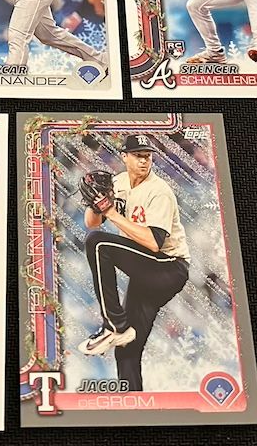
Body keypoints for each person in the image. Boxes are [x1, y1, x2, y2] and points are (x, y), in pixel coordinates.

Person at [78, 135, 190, 391]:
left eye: (147, 156)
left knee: (98, 244)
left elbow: (153, 243)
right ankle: (133, 402)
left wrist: (111, 212)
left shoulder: (158, 191)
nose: (143, 161)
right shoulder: (118, 183)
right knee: (127, 348)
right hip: (145, 272)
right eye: (138, 155)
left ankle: (113, 325)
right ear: (124, 157)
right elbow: (92, 223)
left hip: (168, 267)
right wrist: (94, 204)